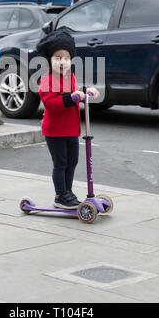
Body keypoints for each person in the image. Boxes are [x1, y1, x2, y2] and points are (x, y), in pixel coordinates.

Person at [37, 30, 99, 210]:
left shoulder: (70, 77)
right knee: (60, 163)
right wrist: (71, 97)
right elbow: (50, 103)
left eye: (66, 58)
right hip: (55, 131)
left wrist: (88, 91)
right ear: (49, 61)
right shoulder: (47, 79)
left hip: (71, 129)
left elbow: (75, 94)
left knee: (72, 162)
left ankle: (67, 192)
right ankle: (60, 195)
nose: (62, 62)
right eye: (57, 58)